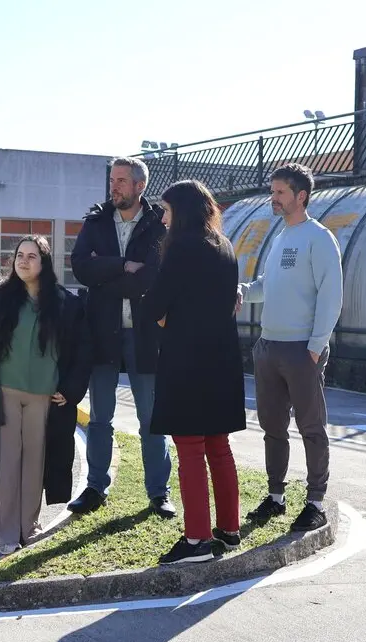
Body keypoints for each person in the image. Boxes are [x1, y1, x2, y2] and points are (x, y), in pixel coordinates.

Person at [0, 236, 93, 554]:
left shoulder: (65, 304)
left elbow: (83, 351)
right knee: (4, 464)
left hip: (45, 398)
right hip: (2, 394)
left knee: (34, 464)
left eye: (32, 256)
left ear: (44, 263)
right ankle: (3, 533)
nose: (24, 261)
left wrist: (71, 390)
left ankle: (28, 527)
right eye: (19, 255)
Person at [141, 180, 247, 565]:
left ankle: (198, 540)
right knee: (218, 445)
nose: (163, 218)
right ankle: (229, 530)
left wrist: (162, 312)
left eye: (167, 210)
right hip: (221, 359)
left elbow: (155, 303)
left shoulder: (182, 247)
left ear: (182, 210)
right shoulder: (224, 244)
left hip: (187, 361)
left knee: (189, 448)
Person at [237, 163, 343, 533]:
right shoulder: (280, 236)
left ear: (301, 196)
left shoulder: (319, 238)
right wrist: (245, 292)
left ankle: (315, 502)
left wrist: (314, 348)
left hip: (301, 349)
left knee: (311, 427)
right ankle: (275, 497)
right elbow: (270, 283)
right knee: (272, 427)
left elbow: (332, 296)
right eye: (273, 191)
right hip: (269, 345)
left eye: (280, 192)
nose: (274, 198)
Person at [67, 157, 175, 519]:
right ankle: (95, 488)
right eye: (112, 179)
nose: (114, 186)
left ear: (140, 185)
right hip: (102, 333)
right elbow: (81, 266)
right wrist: (123, 266)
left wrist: (108, 273)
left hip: (146, 334)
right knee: (100, 417)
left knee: (152, 420)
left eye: (122, 181)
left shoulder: (158, 222)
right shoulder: (95, 222)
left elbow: (158, 274)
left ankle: (159, 494)